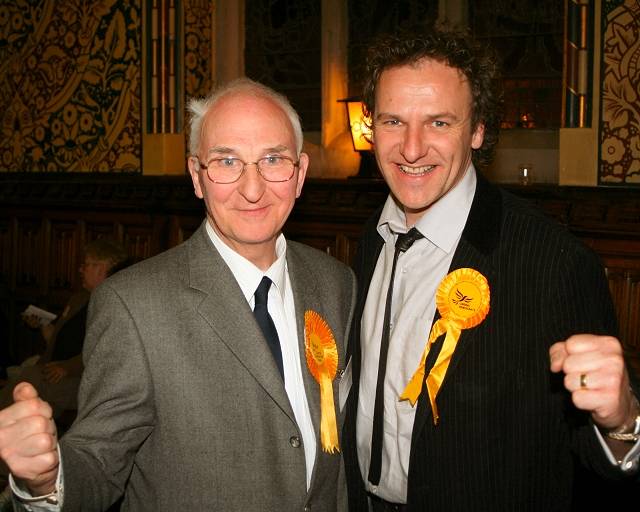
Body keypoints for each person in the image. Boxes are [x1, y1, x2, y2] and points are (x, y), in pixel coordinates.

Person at [0, 78, 356, 511]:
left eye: (272, 159)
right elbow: (99, 460)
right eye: (227, 161)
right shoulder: (134, 305)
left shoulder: (337, 282)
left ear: (299, 174)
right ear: (196, 176)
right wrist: (45, 480)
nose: (253, 187)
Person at [341, 30, 640, 511]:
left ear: (477, 130)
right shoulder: (371, 239)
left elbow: (600, 458)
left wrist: (623, 417)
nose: (411, 149)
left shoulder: (553, 262)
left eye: (439, 122)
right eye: (394, 121)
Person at [0, 239, 129, 421]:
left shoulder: (115, 304)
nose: (80, 270)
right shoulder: (79, 299)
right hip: (55, 372)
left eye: (86, 265)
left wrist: (67, 367)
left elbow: (106, 352)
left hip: (84, 380)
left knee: (30, 379)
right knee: (29, 381)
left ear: (106, 268)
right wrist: (42, 324)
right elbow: (59, 340)